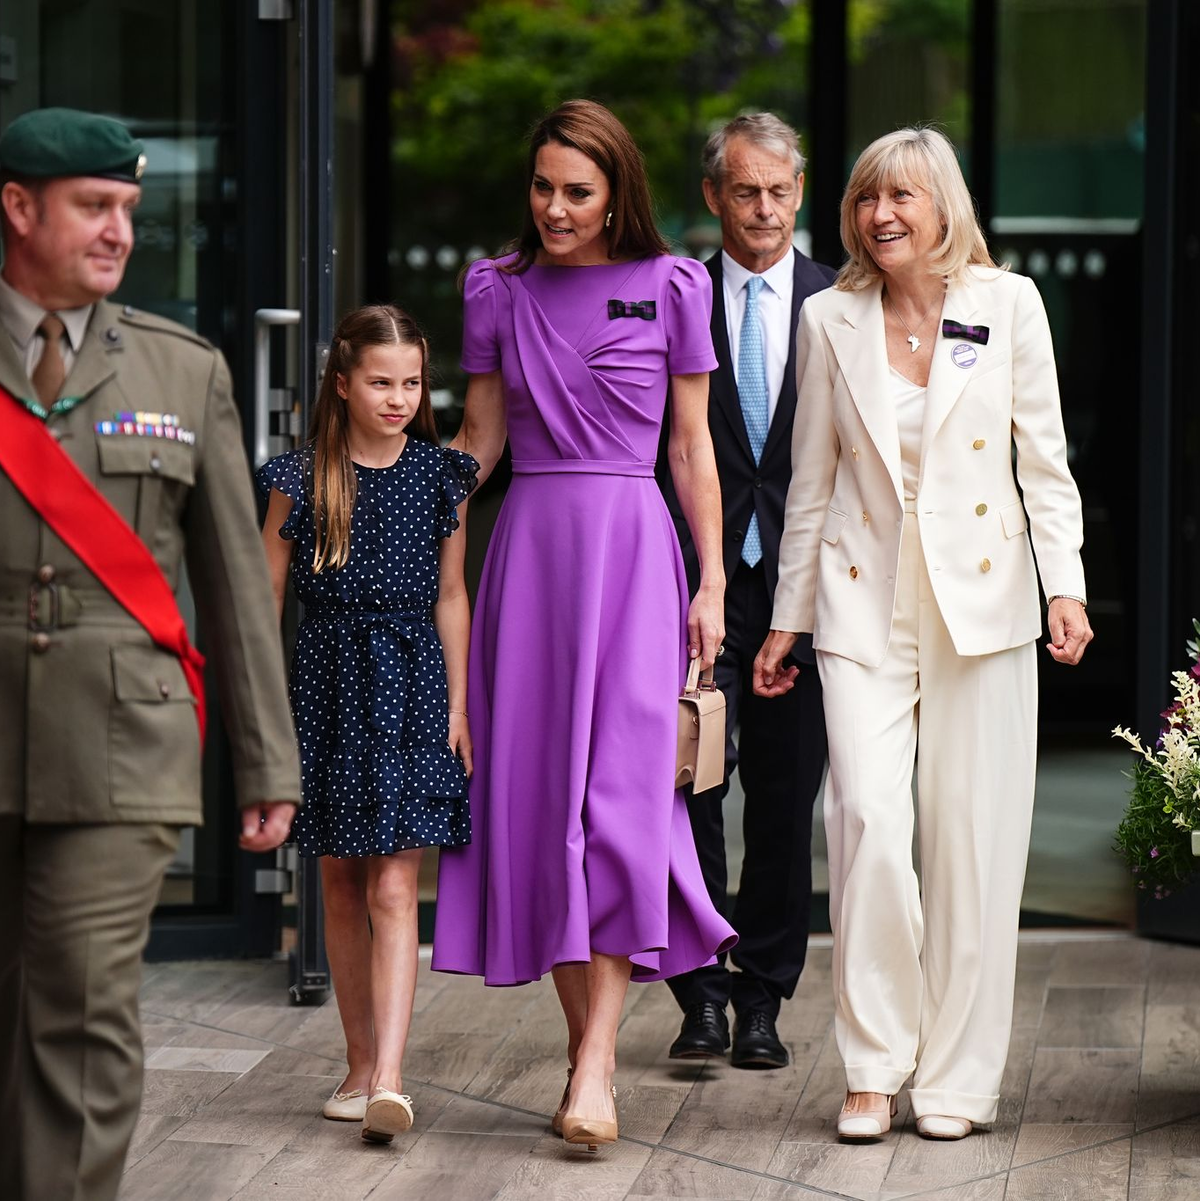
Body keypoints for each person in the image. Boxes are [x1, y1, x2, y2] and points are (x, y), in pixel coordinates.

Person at [754, 127, 1092, 1141]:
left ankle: (954, 1080)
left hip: (982, 607)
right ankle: (871, 1063)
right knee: (865, 824)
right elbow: (810, 483)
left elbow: (1046, 463)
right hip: (863, 607)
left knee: (973, 850)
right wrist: (786, 621)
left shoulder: (1009, 304)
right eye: (866, 199)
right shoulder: (828, 318)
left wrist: (1064, 588)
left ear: (944, 208)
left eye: (901, 196)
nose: (881, 215)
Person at [0, 107, 300, 1201]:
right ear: (20, 209)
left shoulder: (182, 370)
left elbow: (232, 579)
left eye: (129, 208)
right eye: (94, 207)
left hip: (125, 742)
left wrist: (268, 766)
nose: (120, 230)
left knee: (79, 1013)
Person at [432, 99, 736, 1152]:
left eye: (578, 192)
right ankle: (588, 1049)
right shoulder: (496, 288)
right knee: (540, 816)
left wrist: (713, 586)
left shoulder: (673, 287)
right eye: (543, 187)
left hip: (637, 561)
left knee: (618, 811)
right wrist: (395, 514)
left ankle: (597, 1060)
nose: (554, 208)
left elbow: (692, 450)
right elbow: (477, 439)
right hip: (531, 562)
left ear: (618, 195)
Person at [258, 304, 477, 1144]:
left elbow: (452, 593)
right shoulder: (299, 476)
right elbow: (263, 599)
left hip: (415, 681)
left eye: (412, 382)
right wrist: (266, 717)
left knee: (394, 879)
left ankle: (390, 1074)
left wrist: (459, 703)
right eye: (381, 382)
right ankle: (357, 1066)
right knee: (340, 881)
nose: (398, 397)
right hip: (323, 685)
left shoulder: (439, 476)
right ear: (343, 383)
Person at [657, 113, 834, 1070]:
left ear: (799, 193)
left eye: (777, 191)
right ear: (713, 197)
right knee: (689, 788)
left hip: (806, 590)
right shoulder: (673, 294)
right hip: (693, 582)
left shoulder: (839, 299)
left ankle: (765, 994)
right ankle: (702, 991)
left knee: (782, 796)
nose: (762, 209)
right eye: (743, 191)